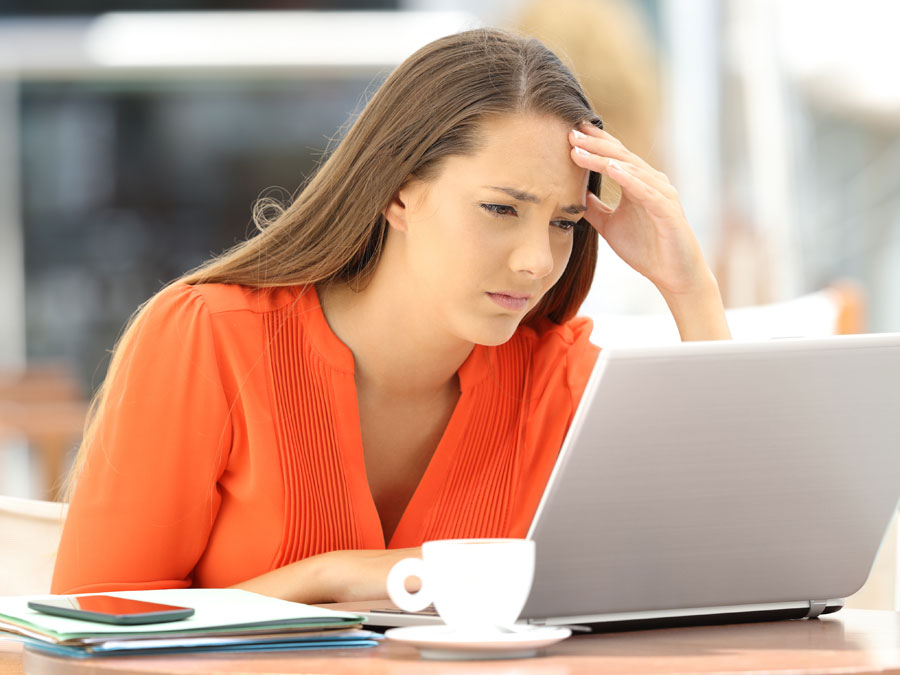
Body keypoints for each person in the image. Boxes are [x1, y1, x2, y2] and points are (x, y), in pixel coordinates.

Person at [52, 28, 730, 604]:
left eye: (564, 221)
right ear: (399, 193)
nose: (537, 260)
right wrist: (330, 575)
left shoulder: (557, 382)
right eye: (501, 209)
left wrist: (689, 285)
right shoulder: (206, 338)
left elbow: (729, 559)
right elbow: (95, 621)